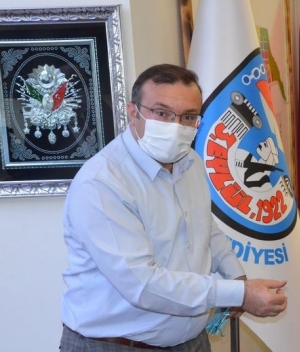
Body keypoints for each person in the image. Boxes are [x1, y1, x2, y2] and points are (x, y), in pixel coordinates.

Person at [60, 64, 287, 351]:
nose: (175, 125)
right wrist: (239, 294)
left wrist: (236, 275)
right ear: (133, 111)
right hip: (116, 345)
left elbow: (205, 228)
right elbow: (142, 285)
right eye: (162, 113)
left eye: (188, 116)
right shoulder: (102, 183)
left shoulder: (190, 162)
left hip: (191, 341)